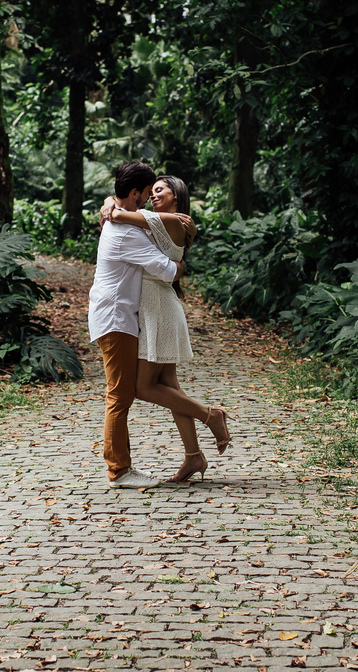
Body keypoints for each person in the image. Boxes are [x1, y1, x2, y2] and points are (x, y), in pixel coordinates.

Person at [102, 175, 232, 483]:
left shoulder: (172, 221)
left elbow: (119, 214)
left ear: (177, 196)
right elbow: (121, 210)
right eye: (151, 191)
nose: (153, 195)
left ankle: (211, 415)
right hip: (158, 304)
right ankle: (193, 456)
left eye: (160, 190)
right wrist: (109, 202)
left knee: (143, 387)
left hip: (156, 306)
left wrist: (110, 205)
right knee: (170, 386)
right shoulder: (163, 221)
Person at [88, 162, 186, 489]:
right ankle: (118, 470)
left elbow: (120, 209)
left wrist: (111, 204)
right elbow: (166, 271)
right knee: (119, 396)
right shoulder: (126, 232)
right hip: (115, 318)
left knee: (122, 394)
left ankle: (122, 466)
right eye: (145, 193)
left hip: (117, 316)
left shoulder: (119, 219)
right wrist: (181, 266)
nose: (147, 200)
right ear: (133, 193)